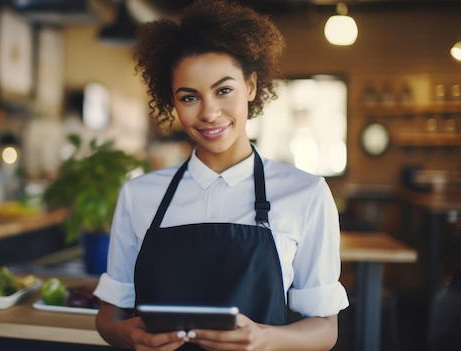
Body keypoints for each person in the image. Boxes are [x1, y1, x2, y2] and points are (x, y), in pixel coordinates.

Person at [92, 1, 349, 350]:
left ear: (252, 87)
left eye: (224, 90)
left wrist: (265, 340)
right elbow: (110, 316)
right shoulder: (139, 195)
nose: (210, 113)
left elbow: (324, 329)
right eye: (189, 97)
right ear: (173, 102)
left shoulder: (306, 194)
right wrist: (127, 335)